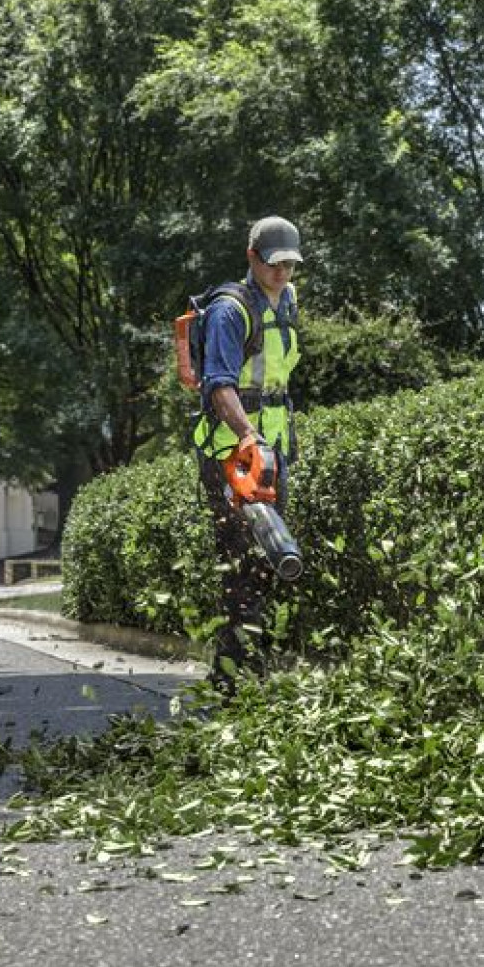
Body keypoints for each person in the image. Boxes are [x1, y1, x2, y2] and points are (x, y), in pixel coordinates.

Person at [193, 215, 303, 693]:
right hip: (231, 455)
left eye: (290, 265)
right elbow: (220, 386)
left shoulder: (289, 301)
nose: (282, 273)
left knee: (273, 560)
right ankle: (233, 681)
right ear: (252, 258)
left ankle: (248, 669)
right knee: (242, 564)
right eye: (274, 264)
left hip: (273, 451)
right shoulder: (229, 310)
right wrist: (248, 437)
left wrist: (273, 444)